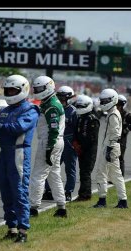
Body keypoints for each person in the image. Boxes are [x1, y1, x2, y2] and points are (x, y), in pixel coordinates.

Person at [0, 75, 39, 243]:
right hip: (4, 153)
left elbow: (19, 127)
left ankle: (23, 231)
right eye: (8, 90)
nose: (10, 92)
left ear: (22, 90)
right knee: (6, 192)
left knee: (19, 192)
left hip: (19, 153)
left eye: (13, 90)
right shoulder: (3, 111)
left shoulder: (30, 110)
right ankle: (12, 228)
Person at [28, 76, 67, 218]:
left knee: (38, 175)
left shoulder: (51, 105)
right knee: (54, 174)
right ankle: (61, 207)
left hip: (50, 141)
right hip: (56, 141)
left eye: (39, 89)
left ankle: (33, 208)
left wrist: (49, 148)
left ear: (48, 87)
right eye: (36, 89)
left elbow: (54, 129)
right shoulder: (49, 102)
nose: (37, 91)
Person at [93, 89, 128, 208]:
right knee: (116, 174)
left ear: (112, 100)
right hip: (112, 146)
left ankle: (102, 200)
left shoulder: (113, 114)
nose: (103, 102)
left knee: (101, 173)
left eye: (105, 101)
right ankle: (122, 200)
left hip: (111, 146)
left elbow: (115, 133)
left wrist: (109, 149)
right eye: (102, 101)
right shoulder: (113, 112)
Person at [42, 86, 77, 202]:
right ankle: (48, 190)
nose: (61, 101)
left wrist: (75, 144)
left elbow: (78, 130)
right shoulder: (55, 108)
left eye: (64, 99)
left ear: (69, 99)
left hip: (69, 143)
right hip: (56, 141)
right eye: (60, 98)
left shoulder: (73, 111)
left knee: (70, 169)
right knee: (50, 167)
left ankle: (68, 192)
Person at [72, 95, 100, 201]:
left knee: (85, 172)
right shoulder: (80, 118)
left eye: (81, 106)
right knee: (82, 171)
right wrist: (75, 143)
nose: (79, 108)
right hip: (80, 149)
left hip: (89, 151)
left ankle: (85, 195)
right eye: (78, 106)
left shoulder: (93, 120)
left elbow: (91, 139)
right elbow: (76, 132)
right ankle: (82, 193)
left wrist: (81, 146)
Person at [116, 95, 131, 177]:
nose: (116, 106)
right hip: (114, 138)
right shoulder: (114, 113)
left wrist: (127, 129)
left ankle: (120, 176)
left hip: (122, 139)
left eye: (118, 104)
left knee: (120, 158)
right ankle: (114, 176)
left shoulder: (126, 115)